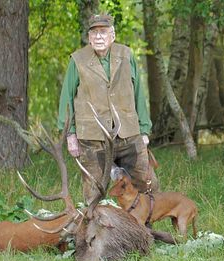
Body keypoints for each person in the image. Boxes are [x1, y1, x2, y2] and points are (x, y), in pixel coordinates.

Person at [58, 14, 159, 205]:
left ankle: (146, 228)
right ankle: (96, 229)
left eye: (103, 32)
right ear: (88, 37)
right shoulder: (77, 60)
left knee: (147, 184)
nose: (98, 37)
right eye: (94, 32)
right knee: (94, 189)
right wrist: (70, 135)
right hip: (92, 138)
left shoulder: (126, 55)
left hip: (128, 133)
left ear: (112, 35)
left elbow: (139, 93)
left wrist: (144, 129)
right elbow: (67, 99)